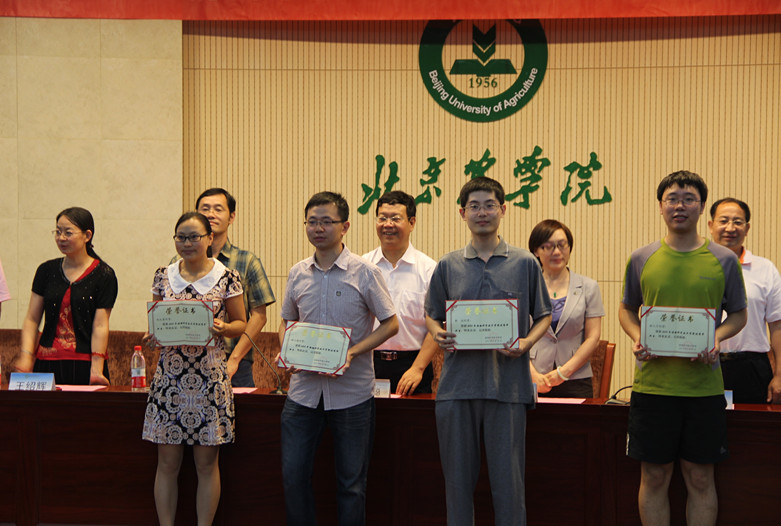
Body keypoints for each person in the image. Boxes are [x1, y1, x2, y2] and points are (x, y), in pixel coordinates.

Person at [618, 171, 747, 526]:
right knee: (654, 476)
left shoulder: (723, 259)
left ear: (701, 207)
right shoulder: (642, 257)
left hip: (703, 388)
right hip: (653, 388)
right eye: (672, 199)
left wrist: (716, 337)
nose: (680, 206)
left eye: (688, 199)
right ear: (660, 206)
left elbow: (739, 314)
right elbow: (626, 309)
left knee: (701, 477)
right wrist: (637, 336)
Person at [424, 177, 552, 526]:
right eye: (474, 206)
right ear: (462, 213)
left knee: (509, 486)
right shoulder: (448, 264)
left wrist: (526, 343)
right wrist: (437, 333)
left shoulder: (525, 262)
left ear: (503, 209)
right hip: (456, 389)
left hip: (507, 388)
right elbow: (431, 314)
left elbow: (544, 315)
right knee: (457, 486)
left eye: (490, 205)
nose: (482, 212)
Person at [278, 191, 398, 526]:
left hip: (352, 395)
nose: (318, 228)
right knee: (293, 477)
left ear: (344, 226)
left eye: (326, 222)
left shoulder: (365, 272)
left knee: (352, 485)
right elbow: (287, 321)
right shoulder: (297, 272)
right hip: (303, 394)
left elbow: (391, 323)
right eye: (312, 222)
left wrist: (352, 351)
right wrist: (287, 349)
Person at [142, 211, 247, 526]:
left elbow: (241, 323)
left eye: (194, 237)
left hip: (209, 380)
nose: (187, 243)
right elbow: (157, 322)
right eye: (181, 237)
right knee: (167, 464)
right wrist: (151, 336)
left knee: (206, 464)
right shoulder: (163, 275)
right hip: (170, 380)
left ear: (209, 238)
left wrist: (224, 328)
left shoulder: (227, 276)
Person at [172, 188, 275, 387]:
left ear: (231, 217)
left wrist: (235, 359)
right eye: (205, 209)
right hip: (185, 360)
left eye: (218, 209)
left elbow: (259, 316)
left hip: (234, 361)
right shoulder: (176, 264)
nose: (211, 214)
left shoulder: (247, 261)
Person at [14, 207, 118, 385]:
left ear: (87, 235)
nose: (61, 238)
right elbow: (32, 319)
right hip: (46, 362)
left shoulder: (104, 275)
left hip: (86, 365)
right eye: (58, 232)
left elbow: (100, 325)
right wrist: (26, 356)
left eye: (68, 233)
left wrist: (96, 368)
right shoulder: (46, 271)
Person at [363, 191, 438, 395]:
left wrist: (418, 368)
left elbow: (437, 324)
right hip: (368, 364)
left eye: (395, 218)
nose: (388, 224)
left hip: (413, 366)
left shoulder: (429, 269)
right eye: (382, 218)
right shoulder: (362, 267)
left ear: (412, 222)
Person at [709, 197, 781, 404]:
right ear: (711, 225)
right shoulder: (696, 266)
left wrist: (779, 375)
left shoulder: (765, 269)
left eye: (737, 222)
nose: (730, 228)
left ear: (747, 228)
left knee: (750, 423)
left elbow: (777, 325)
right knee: (706, 423)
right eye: (723, 221)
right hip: (705, 364)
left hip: (752, 367)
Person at [528, 219, 604, 398]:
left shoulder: (588, 287)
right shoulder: (525, 287)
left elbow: (593, 337)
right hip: (533, 377)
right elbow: (515, 337)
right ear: (536, 251)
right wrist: (532, 375)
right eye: (548, 246)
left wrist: (564, 372)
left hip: (575, 377)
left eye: (562, 245)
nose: (557, 252)